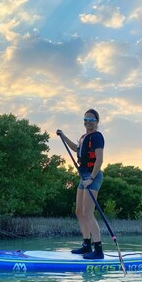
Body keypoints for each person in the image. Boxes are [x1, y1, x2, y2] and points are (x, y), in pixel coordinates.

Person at [56, 109, 104, 259]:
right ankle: (86, 245)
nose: (88, 122)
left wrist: (91, 178)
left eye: (91, 120)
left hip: (92, 177)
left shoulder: (97, 137)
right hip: (83, 177)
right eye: (85, 119)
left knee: (88, 213)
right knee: (79, 212)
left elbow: (99, 159)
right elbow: (76, 149)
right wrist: (63, 136)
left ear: (96, 121)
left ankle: (98, 250)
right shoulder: (84, 137)